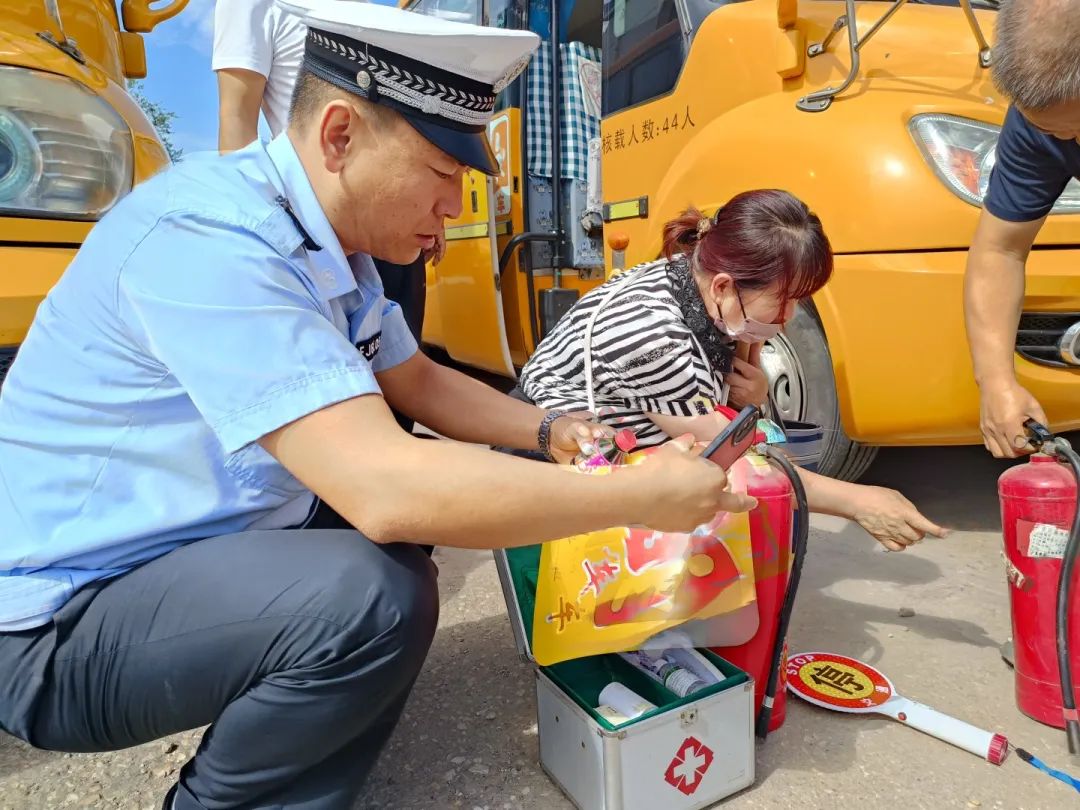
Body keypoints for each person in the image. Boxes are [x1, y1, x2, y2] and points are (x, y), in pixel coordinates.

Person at [0, 3, 758, 809]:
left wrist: (549, 428)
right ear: (339, 136)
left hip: (181, 551)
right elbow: (386, 487)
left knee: (413, 544)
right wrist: (638, 495)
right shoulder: (212, 237)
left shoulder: (335, 250)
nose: (451, 209)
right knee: (372, 597)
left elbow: (417, 381)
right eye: (441, 177)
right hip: (63, 621)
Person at [517, 190, 949, 552]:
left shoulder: (694, 283)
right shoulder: (655, 337)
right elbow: (731, 453)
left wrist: (754, 367)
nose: (791, 316)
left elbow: (735, 411)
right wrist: (858, 500)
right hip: (555, 474)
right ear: (724, 285)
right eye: (786, 299)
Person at [213, 0, 443, 435]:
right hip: (312, 230)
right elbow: (236, 121)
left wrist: (430, 213)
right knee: (331, 401)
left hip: (378, 218)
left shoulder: (361, 10)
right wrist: (250, 238)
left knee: (398, 379)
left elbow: (405, 129)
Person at [963, 0, 1080, 459]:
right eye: (1055, 132)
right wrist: (995, 381)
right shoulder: (1043, 124)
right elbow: (1000, 251)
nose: (1068, 143)